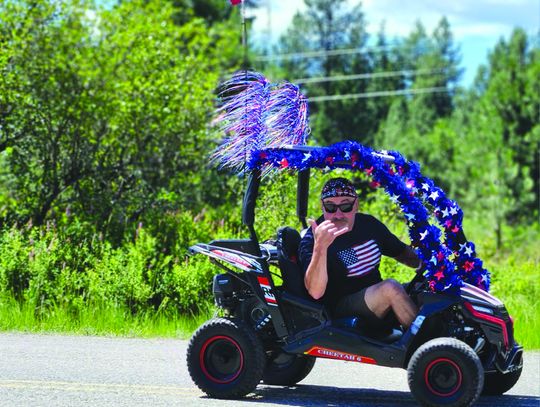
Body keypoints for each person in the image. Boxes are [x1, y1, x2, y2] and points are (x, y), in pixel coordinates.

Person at [299, 177, 421, 330]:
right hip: (340, 307)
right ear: (322, 207)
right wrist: (320, 247)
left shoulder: (368, 224)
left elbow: (402, 253)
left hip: (374, 297)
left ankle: (445, 335)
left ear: (356, 205)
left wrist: (430, 265)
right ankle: (431, 347)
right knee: (392, 289)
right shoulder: (313, 239)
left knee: (422, 289)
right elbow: (315, 292)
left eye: (345, 206)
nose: (338, 214)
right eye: (330, 207)